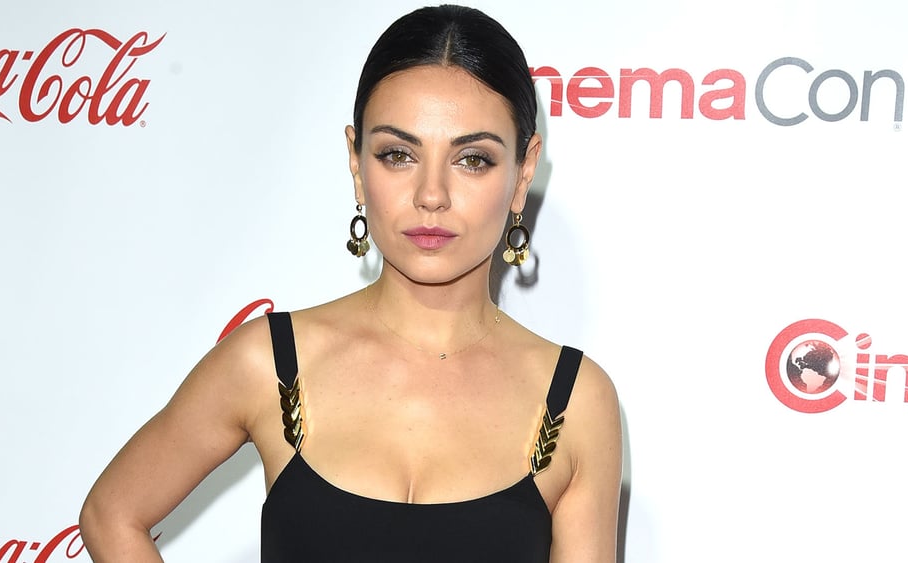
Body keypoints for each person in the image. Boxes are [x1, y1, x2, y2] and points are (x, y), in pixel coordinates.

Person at [79, 5, 622, 562]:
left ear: (524, 172)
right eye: (398, 155)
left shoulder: (575, 401)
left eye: (472, 160)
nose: (431, 195)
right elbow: (112, 514)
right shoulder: (270, 362)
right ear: (357, 164)